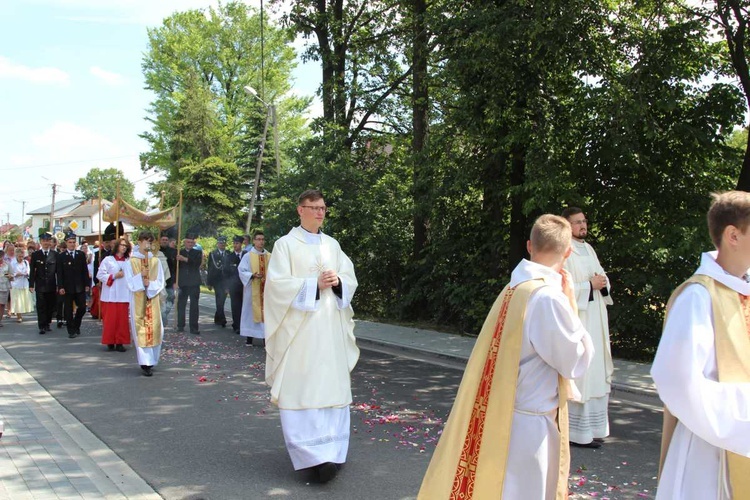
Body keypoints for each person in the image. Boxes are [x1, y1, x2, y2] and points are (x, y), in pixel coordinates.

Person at [418, 214, 594, 500]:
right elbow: (574, 361)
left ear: (529, 245)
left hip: (506, 412)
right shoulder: (547, 298)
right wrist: (571, 303)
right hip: (531, 425)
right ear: (568, 251)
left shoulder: (514, 288)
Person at [651, 191, 750, 499]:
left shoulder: (743, 291)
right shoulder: (697, 296)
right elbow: (678, 381)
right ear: (733, 235)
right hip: (708, 454)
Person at [264, 189, 358, 483]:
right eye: (313, 207)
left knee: (331, 385)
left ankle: (333, 453)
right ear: (300, 210)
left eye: (323, 207)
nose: (320, 212)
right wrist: (312, 284)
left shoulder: (332, 244)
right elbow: (276, 286)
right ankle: (312, 457)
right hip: (300, 332)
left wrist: (339, 281)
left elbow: (350, 277)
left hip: (330, 328)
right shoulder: (285, 245)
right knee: (303, 387)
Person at [561, 207, 613, 448]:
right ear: (567, 225)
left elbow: (601, 277)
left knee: (596, 370)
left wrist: (602, 283)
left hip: (597, 316)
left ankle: (593, 429)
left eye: (584, 221)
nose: (583, 225)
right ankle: (575, 432)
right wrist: (588, 285)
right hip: (580, 318)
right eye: (578, 222)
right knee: (583, 372)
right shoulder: (565, 251)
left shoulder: (589, 249)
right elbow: (564, 287)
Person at [125, 231, 165, 377]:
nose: (148, 244)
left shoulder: (155, 261)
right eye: (146, 241)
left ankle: (152, 360)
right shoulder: (131, 261)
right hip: (138, 299)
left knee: (155, 329)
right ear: (139, 242)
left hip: (152, 299)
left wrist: (151, 284)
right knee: (141, 329)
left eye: (150, 241)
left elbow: (160, 281)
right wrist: (140, 278)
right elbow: (129, 282)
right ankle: (144, 363)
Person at [97, 237, 131, 352]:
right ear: (117, 246)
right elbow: (100, 275)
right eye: (122, 245)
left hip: (124, 294)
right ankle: (110, 341)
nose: (124, 247)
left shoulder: (129, 262)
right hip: (110, 295)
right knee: (110, 320)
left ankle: (120, 342)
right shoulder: (108, 260)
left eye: (126, 246)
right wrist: (113, 276)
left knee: (122, 320)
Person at [238, 231, 271, 346]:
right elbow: (241, 270)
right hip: (253, 289)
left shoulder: (269, 256)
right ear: (254, 241)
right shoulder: (248, 255)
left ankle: (265, 338)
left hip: (266, 290)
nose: (261, 241)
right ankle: (249, 338)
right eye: (258, 239)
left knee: (265, 314)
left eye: (262, 239)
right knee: (250, 313)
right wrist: (252, 275)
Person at [56, 233, 90, 338]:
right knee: (68, 310)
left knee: (82, 308)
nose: (72, 244)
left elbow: (85, 270)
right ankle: (71, 330)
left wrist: (87, 284)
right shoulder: (61, 256)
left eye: (73, 242)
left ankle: (76, 324)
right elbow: (59, 273)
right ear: (66, 243)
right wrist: (60, 286)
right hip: (67, 287)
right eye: (70, 242)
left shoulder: (80, 255)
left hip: (79, 286)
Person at [29, 233, 58, 335]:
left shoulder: (55, 254)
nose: (46, 243)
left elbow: (58, 272)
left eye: (48, 240)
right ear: (40, 242)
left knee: (50, 305)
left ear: (50, 242)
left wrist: (60, 284)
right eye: (44, 241)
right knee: (41, 305)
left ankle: (47, 323)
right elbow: (32, 270)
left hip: (51, 284)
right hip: (40, 284)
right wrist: (31, 284)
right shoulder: (36, 254)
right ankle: (41, 325)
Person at [176, 232, 202, 334]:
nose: (190, 244)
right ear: (184, 242)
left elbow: (196, 263)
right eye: (188, 242)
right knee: (181, 305)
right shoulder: (179, 252)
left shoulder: (197, 253)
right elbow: (175, 268)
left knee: (194, 306)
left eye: (192, 242)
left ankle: (194, 327)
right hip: (182, 283)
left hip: (194, 282)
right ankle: (180, 325)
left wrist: (185, 259)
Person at [223, 235, 246, 334]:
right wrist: (227, 286)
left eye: (237, 243)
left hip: (245, 285)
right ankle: (237, 325)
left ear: (241, 244)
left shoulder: (246, 255)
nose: (235, 245)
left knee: (245, 306)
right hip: (234, 285)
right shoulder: (229, 257)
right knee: (236, 306)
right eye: (234, 243)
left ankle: (244, 325)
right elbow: (225, 272)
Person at [91, 232, 115, 319]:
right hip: (107, 280)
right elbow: (97, 268)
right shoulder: (101, 254)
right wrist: (97, 281)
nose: (109, 244)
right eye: (108, 242)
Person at [206, 236, 228, 328]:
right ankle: (222, 319)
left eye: (223, 243)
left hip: (226, 280)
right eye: (220, 243)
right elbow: (210, 268)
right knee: (219, 299)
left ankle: (217, 317)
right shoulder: (212, 254)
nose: (222, 245)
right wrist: (209, 282)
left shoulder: (228, 254)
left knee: (222, 300)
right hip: (216, 281)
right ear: (217, 244)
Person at [10, 248, 34, 322]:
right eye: (19, 256)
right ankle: (18, 315)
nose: (21, 258)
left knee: (23, 299)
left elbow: (29, 271)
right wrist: (15, 274)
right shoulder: (12, 263)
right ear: (16, 255)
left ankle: (22, 312)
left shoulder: (26, 262)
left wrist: (26, 273)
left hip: (24, 283)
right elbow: (10, 273)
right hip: (16, 284)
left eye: (22, 256)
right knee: (17, 300)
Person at [159, 233, 177, 326]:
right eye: (163, 240)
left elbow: (175, 268)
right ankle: (161, 318)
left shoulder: (174, 252)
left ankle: (164, 315)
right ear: (160, 240)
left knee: (170, 299)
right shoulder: (156, 251)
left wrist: (175, 281)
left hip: (170, 281)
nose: (165, 241)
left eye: (166, 240)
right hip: (158, 281)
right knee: (161, 301)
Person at [0, 251, 10, 327]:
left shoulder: (7, 264)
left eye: (1, 256)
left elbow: (12, 275)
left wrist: (10, 276)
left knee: (2, 304)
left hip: (4, 287)